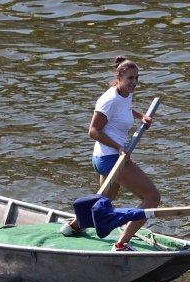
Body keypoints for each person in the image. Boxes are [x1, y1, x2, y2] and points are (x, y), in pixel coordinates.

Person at [61, 56, 160, 251]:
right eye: (130, 78)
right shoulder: (109, 99)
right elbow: (93, 131)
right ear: (119, 77)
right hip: (110, 159)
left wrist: (142, 116)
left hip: (105, 158)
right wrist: (118, 147)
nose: (134, 83)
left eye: (137, 78)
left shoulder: (125, 94)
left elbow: (125, 108)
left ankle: (73, 226)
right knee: (152, 197)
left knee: (106, 199)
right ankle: (121, 244)